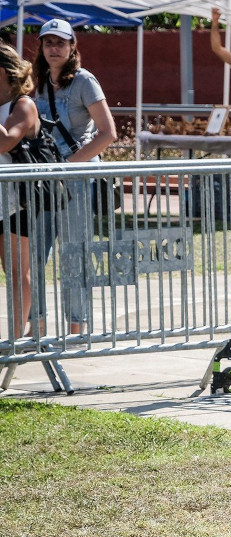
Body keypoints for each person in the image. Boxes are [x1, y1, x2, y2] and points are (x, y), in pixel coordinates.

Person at [34, 18, 117, 337]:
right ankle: (36, 326)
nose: (54, 49)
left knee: (74, 253)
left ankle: (77, 326)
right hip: (42, 180)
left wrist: (68, 164)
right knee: (33, 253)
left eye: (60, 43)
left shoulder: (84, 81)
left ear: (72, 47)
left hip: (76, 179)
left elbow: (107, 133)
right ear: (41, 47)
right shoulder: (36, 81)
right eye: (48, 43)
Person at [0, 43, 47, 340]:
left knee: (17, 270)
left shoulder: (24, 105)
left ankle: (15, 341)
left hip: (16, 201)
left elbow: (6, 141)